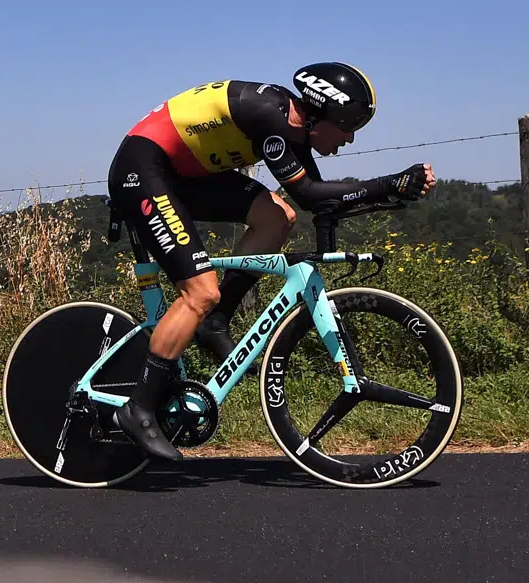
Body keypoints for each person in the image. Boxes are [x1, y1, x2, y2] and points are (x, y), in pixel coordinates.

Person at [107, 63, 436, 461]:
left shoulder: (293, 127)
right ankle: (138, 408)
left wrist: (396, 193)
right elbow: (314, 194)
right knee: (199, 291)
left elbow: (316, 201)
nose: (349, 139)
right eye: (347, 126)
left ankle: (216, 320)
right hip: (143, 168)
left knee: (278, 217)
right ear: (318, 115)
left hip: (182, 175)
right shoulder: (268, 116)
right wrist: (388, 182)